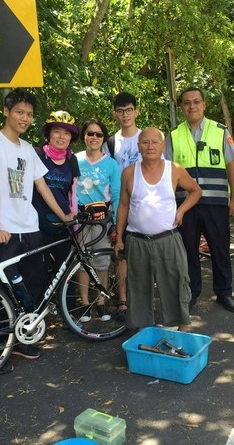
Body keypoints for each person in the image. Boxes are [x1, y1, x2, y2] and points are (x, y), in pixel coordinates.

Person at [0, 89, 74, 363]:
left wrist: (65, 216)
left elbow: (42, 187)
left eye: (29, 114)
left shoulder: (28, 149)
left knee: (31, 287)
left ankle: (20, 340)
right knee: (3, 291)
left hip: (30, 228)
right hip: (3, 230)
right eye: (19, 112)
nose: (24, 118)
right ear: (6, 112)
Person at [115, 127, 201, 331]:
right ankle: (142, 330)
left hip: (168, 239)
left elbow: (195, 191)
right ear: (139, 146)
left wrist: (180, 212)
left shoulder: (175, 169)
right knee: (138, 287)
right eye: (145, 142)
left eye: (155, 142)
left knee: (175, 283)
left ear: (163, 146)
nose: (150, 146)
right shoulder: (129, 172)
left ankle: (182, 327)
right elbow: (124, 206)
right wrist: (119, 237)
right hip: (137, 240)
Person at [165, 87, 234, 313]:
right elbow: (167, 171)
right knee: (188, 251)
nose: (192, 106)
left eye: (196, 101)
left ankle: (224, 292)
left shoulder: (220, 130)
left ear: (204, 104)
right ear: (182, 108)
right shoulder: (173, 135)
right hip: (186, 205)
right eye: (187, 103)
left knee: (220, 249)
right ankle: (192, 292)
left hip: (216, 204)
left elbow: (232, 164)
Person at [75, 119, 121, 322]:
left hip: (102, 220)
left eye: (99, 134)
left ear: (104, 138)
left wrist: (118, 223)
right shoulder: (74, 160)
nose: (94, 137)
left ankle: (101, 301)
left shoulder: (111, 164)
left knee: (102, 263)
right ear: (84, 135)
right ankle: (85, 303)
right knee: (82, 262)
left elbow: (118, 194)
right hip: (80, 219)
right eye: (90, 133)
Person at [102, 92, 142, 320]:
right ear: (115, 114)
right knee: (120, 254)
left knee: (145, 253)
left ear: (136, 111)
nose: (125, 115)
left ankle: (142, 300)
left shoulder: (146, 137)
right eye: (120, 111)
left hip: (145, 205)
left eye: (129, 110)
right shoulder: (110, 142)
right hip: (120, 206)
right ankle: (124, 301)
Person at [32, 111, 81, 267]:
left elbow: (73, 193)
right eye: (57, 132)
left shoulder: (71, 160)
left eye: (66, 133)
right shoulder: (37, 155)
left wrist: (75, 224)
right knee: (38, 272)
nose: (61, 137)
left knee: (65, 270)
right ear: (49, 134)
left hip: (63, 224)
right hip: (38, 223)